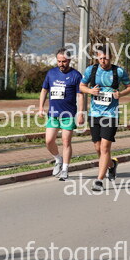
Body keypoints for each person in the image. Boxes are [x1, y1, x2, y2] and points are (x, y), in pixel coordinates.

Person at [79, 47, 130, 191]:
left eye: (106, 58)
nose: (103, 61)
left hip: (111, 114)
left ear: (111, 57)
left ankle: (99, 180)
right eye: (101, 58)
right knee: (97, 147)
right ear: (97, 58)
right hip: (94, 114)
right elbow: (82, 86)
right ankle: (112, 165)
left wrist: (120, 94)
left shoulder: (118, 71)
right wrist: (90, 91)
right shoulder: (91, 70)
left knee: (105, 147)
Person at [39, 48, 84, 181]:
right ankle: (58, 159)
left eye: (64, 61)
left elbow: (80, 95)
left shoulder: (76, 75)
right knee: (49, 141)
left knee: (66, 141)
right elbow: (44, 90)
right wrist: (40, 107)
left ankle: (65, 169)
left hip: (68, 115)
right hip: (53, 114)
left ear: (69, 60)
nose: (61, 64)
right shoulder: (51, 73)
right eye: (59, 61)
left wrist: (81, 113)